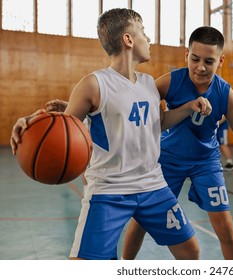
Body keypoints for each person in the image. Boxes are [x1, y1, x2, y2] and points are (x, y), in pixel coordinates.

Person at [10, 8, 213, 260]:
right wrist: (30, 121)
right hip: (109, 189)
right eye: (144, 33)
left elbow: (157, 122)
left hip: (153, 185)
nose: (148, 39)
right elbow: (64, 125)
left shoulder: (149, 84)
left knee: (190, 251)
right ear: (128, 39)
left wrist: (187, 108)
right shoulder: (94, 84)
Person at [122, 26, 233, 260]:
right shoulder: (168, 82)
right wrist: (92, 109)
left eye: (209, 61)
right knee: (141, 221)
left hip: (205, 163)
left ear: (220, 61)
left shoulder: (225, 93)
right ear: (186, 55)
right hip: (167, 160)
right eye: (195, 59)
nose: (200, 67)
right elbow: (131, 102)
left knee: (226, 229)